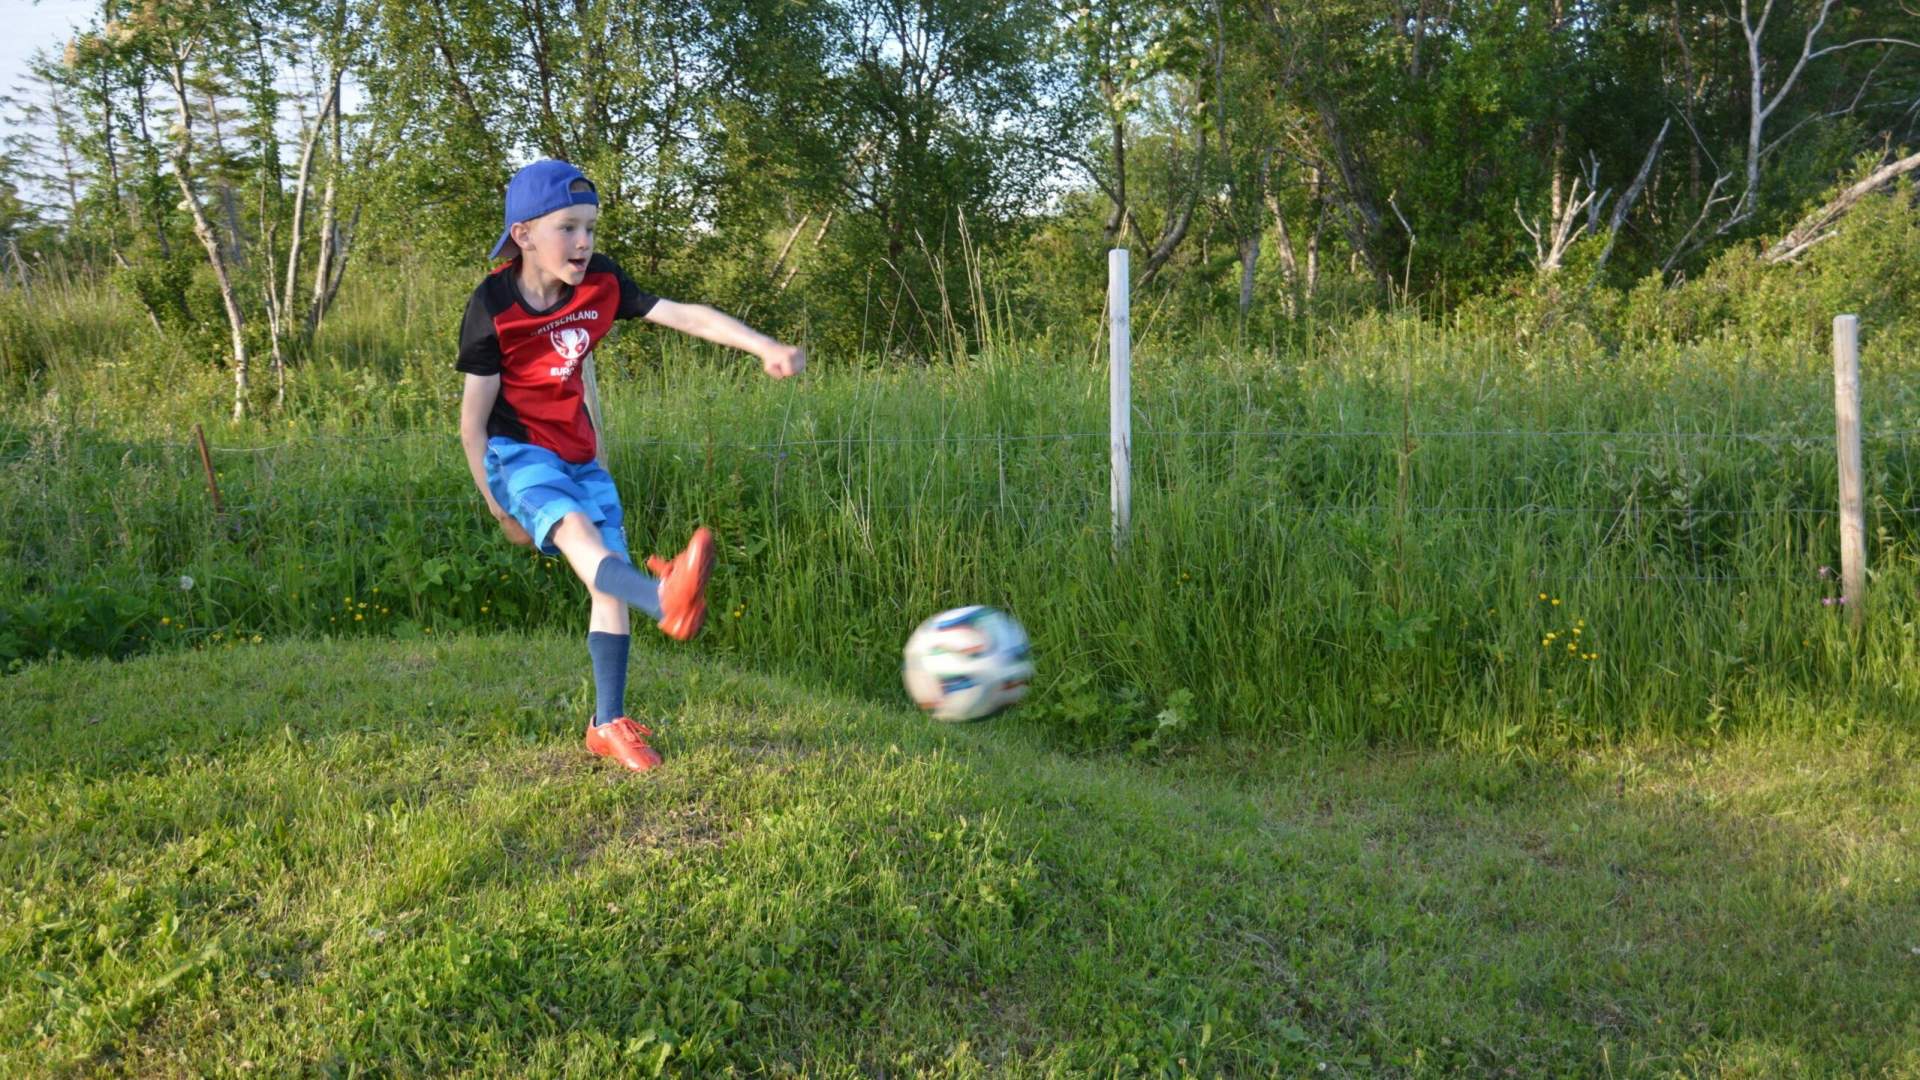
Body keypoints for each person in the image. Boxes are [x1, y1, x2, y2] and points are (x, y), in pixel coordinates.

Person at [455, 159, 805, 773]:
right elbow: (471, 423)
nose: (584, 242)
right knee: (584, 541)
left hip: (581, 455)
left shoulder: (601, 285)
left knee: (603, 582)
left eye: (590, 227)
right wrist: (497, 503)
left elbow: (684, 314)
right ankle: (663, 596)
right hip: (518, 455)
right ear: (524, 235)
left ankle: (607, 722)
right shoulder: (493, 307)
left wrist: (763, 345)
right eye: (568, 228)